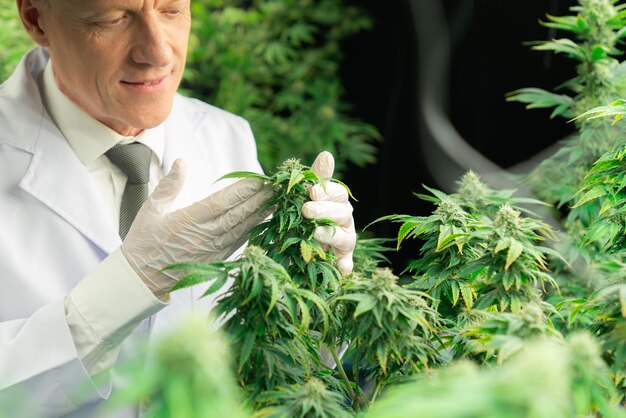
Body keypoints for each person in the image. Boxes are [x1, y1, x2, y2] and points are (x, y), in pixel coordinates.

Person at [0, 0, 356, 416]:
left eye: (171, 10)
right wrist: (128, 286)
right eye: (114, 18)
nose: (158, 52)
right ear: (36, 19)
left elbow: (283, 371)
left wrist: (323, 293)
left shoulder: (226, 137)